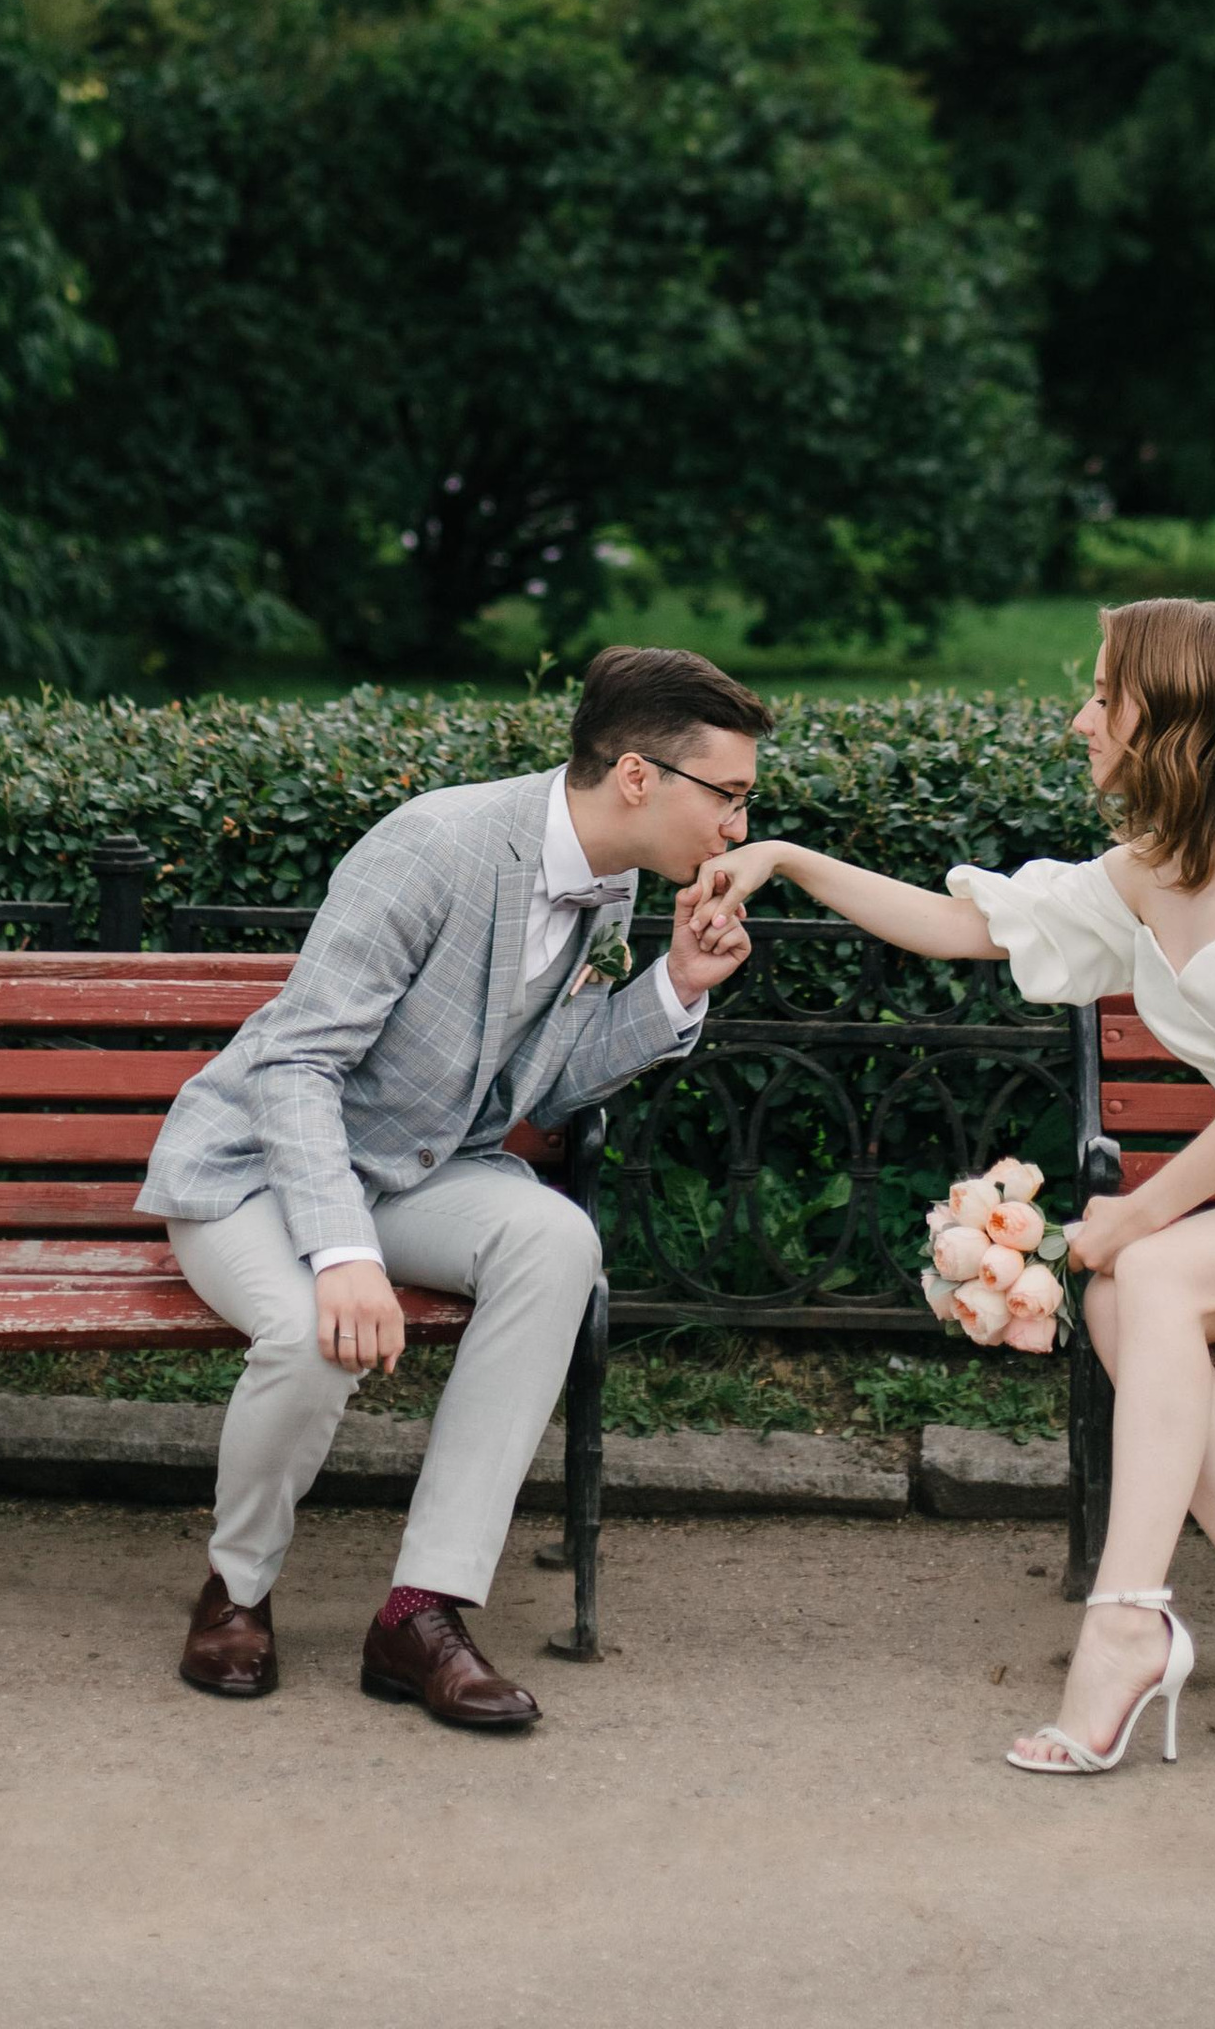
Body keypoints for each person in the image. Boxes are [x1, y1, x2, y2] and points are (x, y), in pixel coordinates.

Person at [697, 595, 1215, 1770]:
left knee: (1155, 1267)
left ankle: (1125, 1626)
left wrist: (1142, 1210)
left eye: (1103, 694)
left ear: (1173, 708)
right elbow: (957, 927)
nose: (1081, 718)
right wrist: (781, 858)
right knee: (1121, 1299)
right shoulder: (1147, 872)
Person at [137, 643, 762, 1721]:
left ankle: (418, 1613)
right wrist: (343, 1256)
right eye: (731, 797)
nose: (738, 832)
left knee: (555, 1239)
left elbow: (552, 1084)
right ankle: (236, 1590)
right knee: (305, 1333)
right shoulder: (433, 845)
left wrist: (673, 985)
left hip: (418, 1171)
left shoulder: (609, 889)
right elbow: (296, 1063)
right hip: (253, 1170)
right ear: (637, 777)